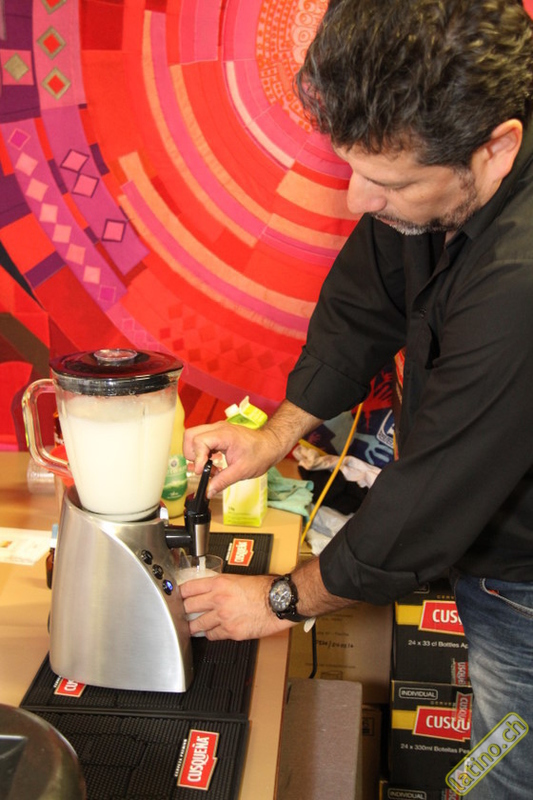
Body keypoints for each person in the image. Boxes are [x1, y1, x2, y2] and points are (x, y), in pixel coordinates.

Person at [181, 1, 533, 795]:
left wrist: (280, 600)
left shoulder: (519, 280)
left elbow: (429, 498)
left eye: (386, 182)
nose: (354, 201)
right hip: (487, 554)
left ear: (497, 147)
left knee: (506, 771)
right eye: (351, 168)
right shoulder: (436, 161)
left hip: (524, 591)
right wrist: (276, 435)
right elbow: (361, 305)